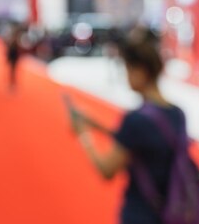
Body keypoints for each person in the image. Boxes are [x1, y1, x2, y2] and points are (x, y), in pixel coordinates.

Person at [68, 34, 186, 224]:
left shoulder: (136, 120)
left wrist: (84, 135)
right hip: (174, 209)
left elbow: (107, 170)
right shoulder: (177, 114)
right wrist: (96, 125)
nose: (127, 77)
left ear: (140, 71)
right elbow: (145, 142)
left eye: (128, 70)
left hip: (140, 213)